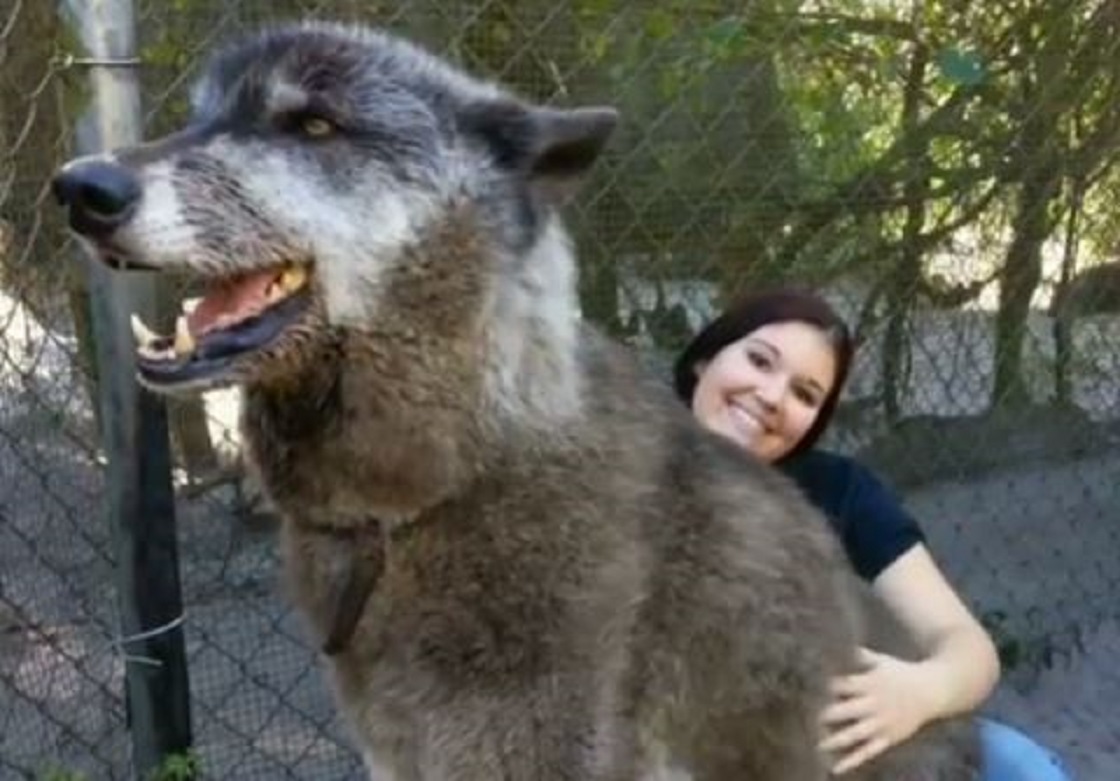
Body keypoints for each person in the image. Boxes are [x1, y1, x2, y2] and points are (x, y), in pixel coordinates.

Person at [672, 288, 1071, 779]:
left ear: (815, 422)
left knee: (1020, 766)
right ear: (704, 360)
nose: (772, 397)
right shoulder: (616, 467)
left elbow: (970, 648)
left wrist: (920, 692)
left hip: (820, 735)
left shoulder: (839, 490)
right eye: (759, 361)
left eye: (805, 394)